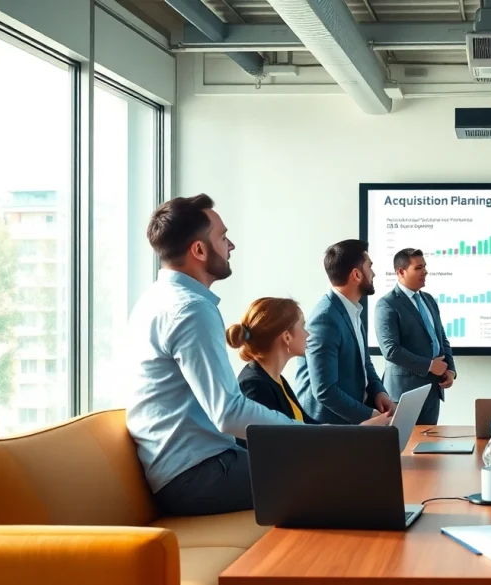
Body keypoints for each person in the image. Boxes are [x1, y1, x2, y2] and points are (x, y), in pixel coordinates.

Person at [124, 194, 301, 517]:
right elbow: (229, 412)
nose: (230, 245)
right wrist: (305, 435)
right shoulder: (190, 310)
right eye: (222, 237)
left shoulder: (156, 299)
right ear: (199, 250)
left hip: (200, 465)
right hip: (196, 475)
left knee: (323, 462)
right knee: (330, 471)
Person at [226, 297, 391, 434]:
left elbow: (310, 427)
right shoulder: (254, 386)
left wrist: (363, 429)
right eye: (302, 326)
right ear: (286, 337)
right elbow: (280, 445)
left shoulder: (276, 379)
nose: (308, 334)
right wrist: (361, 430)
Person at [295, 239, 396, 424]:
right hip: (328, 428)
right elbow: (325, 391)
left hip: (351, 421)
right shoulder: (325, 319)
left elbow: (364, 363)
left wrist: (379, 392)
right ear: (356, 274)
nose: (374, 273)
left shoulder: (353, 310)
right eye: (370, 266)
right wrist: (370, 416)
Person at [374, 248, 456, 425]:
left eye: (424, 266)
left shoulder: (428, 300)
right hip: (403, 394)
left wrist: (450, 369)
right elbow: (391, 351)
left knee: (428, 447)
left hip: (433, 391)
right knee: (402, 449)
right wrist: (429, 366)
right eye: (418, 268)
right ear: (401, 272)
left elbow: (441, 338)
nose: (425, 271)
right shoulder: (387, 304)